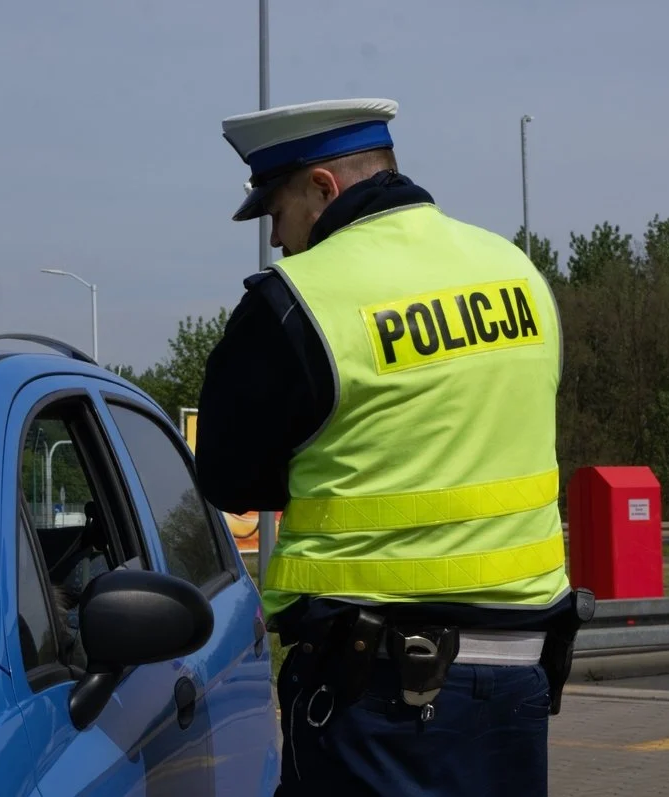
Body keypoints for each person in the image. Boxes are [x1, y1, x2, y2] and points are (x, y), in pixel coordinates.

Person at [195, 98, 593, 797]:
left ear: (323, 187)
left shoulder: (298, 299)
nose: (278, 240)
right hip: (518, 684)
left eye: (277, 214)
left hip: (375, 696)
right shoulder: (518, 273)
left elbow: (229, 476)